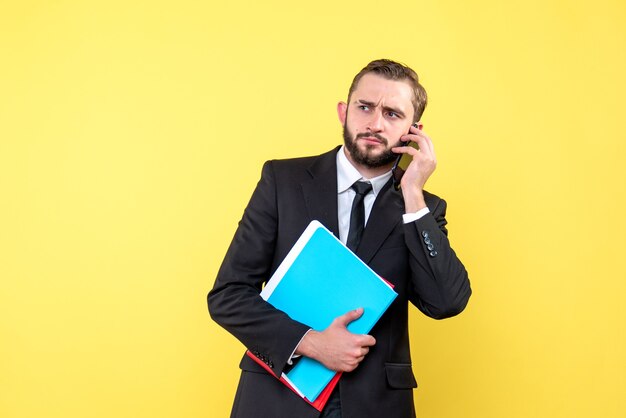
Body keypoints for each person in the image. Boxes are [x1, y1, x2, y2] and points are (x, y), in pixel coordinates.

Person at [208, 59, 471, 418]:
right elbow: (228, 295)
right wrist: (309, 342)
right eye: (365, 107)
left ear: (414, 131)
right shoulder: (281, 181)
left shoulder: (422, 208)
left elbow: (446, 302)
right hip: (277, 398)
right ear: (344, 111)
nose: (375, 123)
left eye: (393, 114)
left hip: (376, 405)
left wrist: (413, 193)